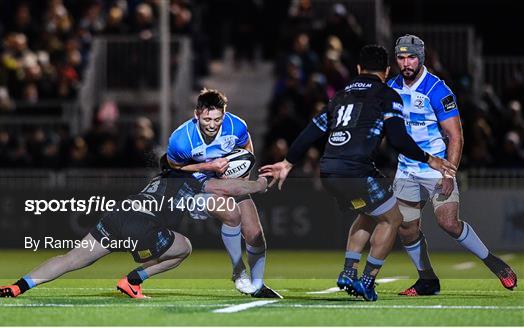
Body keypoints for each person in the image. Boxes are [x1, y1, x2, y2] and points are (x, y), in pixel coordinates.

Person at [259, 45, 456, 301]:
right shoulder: (386, 95)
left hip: (329, 171)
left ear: (358, 69)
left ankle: (348, 272)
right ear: (386, 71)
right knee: (393, 219)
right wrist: (430, 159)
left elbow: (311, 131)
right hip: (357, 171)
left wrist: (287, 162)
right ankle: (367, 280)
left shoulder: (340, 96)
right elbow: (398, 138)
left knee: (368, 214)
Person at [0, 166, 269, 298]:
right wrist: (262, 183)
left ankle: (17, 286)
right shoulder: (196, 181)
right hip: (142, 225)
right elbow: (235, 189)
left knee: (71, 258)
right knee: (184, 247)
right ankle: (133, 280)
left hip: (117, 215)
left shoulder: (164, 177)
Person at [387, 34, 517, 295]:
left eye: (411, 57)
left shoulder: (437, 89)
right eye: (401, 57)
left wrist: (448, 173)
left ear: (421, 58)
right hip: (406, 170)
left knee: (448, 223)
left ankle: (493, 262)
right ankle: (427, 280)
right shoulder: (391, 87)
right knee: (406, 228)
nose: (406, 63)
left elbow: (455, 136)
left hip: (435, 169)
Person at [167, 88, 281, 298]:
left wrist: (242, 178)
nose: (212, 125)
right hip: (195, 188)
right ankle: (238, 272)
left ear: (224, 115)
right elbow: (174, 167)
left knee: (255, 234)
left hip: (228, 181)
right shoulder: (181, 140)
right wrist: (208, 167)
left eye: (217, 119)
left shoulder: (236, 126)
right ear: (197, 114)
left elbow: (247, 151)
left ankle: (258, 285)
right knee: (232, 214)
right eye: (207, 119)